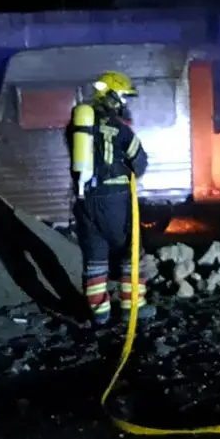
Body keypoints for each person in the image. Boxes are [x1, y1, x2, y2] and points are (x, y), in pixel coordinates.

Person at [69, 71, 155, 325]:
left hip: (84, 199)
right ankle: (133, 309)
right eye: (124, 98)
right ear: (114, 96)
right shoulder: (119, 128)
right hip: (115, 199)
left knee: (94, 257)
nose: (125, 103)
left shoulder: (77, 126)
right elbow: (140, 162)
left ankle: (100, 314)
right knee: (131, 252)